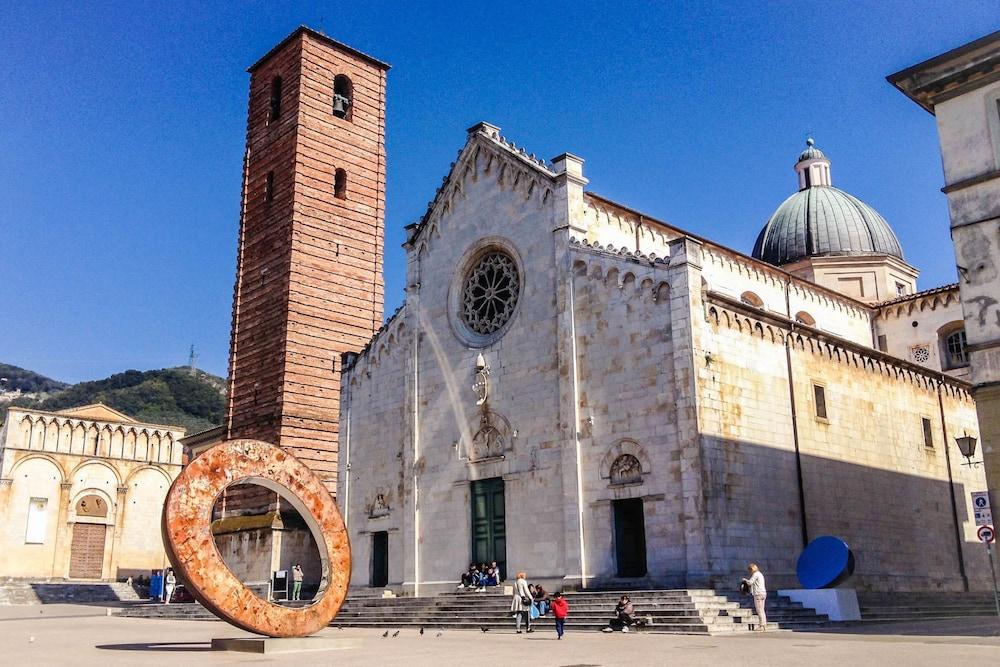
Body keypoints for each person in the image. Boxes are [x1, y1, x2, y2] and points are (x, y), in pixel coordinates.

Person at [742, 563, 767, 631]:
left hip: (758, 594)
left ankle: (761, 625)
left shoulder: (755, 574)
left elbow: (750, 582)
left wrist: (745, 580)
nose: (750, 572)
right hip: (763, 593)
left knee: (759, 610)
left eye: (750, 570)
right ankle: (764, 624)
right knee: (762, 609)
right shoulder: (760, 574)